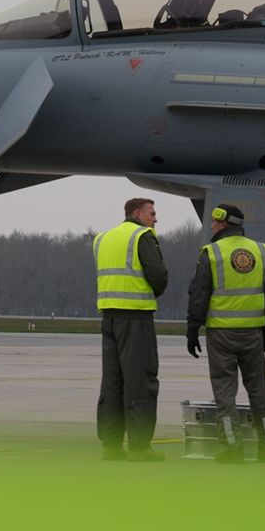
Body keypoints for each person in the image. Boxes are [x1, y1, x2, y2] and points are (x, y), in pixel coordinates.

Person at [185, 204, 265, 463]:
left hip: (221, 335)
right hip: (252, 334)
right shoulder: (262, 251)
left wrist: (192, 329)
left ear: (222, 223)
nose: (210, 226)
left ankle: (231, 448)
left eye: (214, 222)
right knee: (259, 391)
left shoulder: (211, 253)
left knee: (225, 393)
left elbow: (199, 294)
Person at [93, 198, 168, 462]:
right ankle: (139, 445)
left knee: (112, 382)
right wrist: (156, 291)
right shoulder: (142, 236)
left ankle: (111, 446)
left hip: (108, 315)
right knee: (140, 381)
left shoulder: (103, 238)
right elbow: (158, 275)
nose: (155, 219)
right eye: (152, 213)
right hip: (135, 316)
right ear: (138, 214)